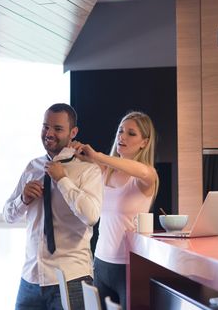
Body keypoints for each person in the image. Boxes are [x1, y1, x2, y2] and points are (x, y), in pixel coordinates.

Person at [3, 103, 103, 310]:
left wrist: (63, 181)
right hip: (31, 278)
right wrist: (23, 199)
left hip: (71, 279)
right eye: (45, 127)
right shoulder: (33, 167)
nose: (49, 133)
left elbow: (91, 216)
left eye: (57, 129)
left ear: (73, 132)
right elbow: (8, 215)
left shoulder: (87, 171)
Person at [71, 111, 159, 310]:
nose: (122, 136)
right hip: (101, 263)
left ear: (144, 142)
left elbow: (143, 170)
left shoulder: (146, 176)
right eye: (120, 131)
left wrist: (98, 156)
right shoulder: (105, 171)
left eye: (131, 133)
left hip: (130, 267)